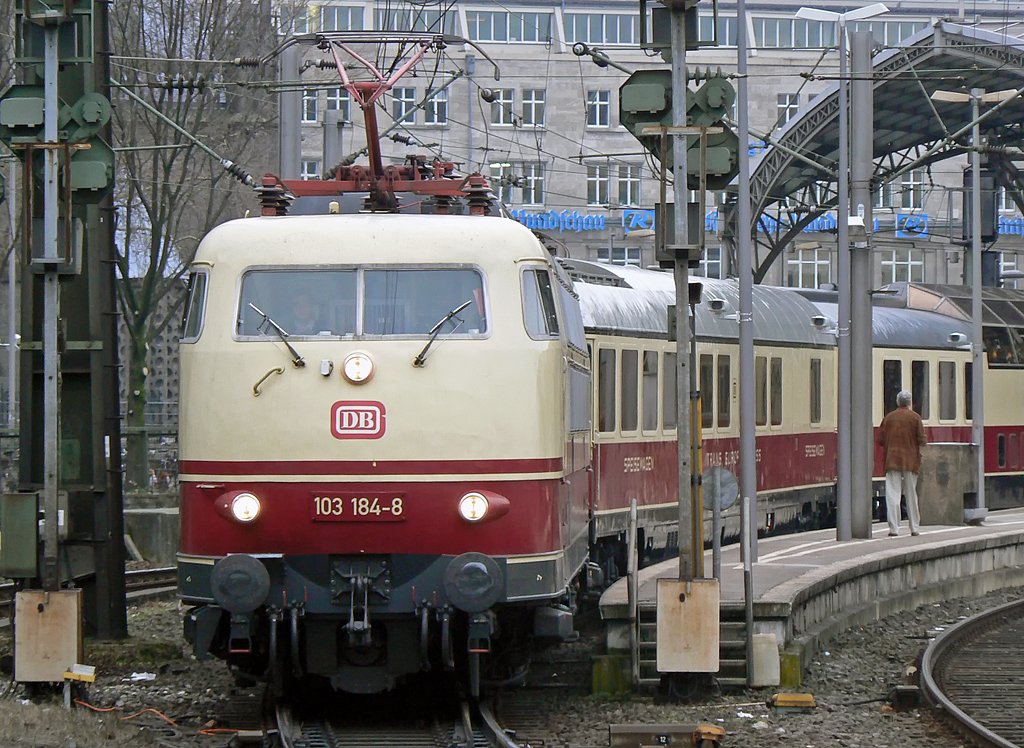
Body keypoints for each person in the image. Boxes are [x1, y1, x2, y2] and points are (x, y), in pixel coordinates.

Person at [876, 390, 927, 537]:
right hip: (911, 462)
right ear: (909, 403)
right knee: (911, 494)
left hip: (892, 460)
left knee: (893, 494)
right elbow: (922, 440)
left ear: (897, 402)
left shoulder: (889, 418)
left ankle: (894, 528)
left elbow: (880, 440)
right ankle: (914, 528)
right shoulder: (915, 418)